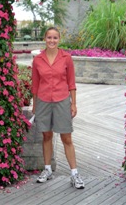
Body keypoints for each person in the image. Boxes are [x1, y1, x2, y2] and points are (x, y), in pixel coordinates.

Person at [31, 27, 85, 189]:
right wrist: (35, 105)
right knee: (46, 136)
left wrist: (73, 103)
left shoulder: (66, 58)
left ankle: (74, 174)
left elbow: (71, 83)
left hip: (62, 100)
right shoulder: (38, 60)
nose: (52, 41)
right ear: (45, 39)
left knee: (66, 138)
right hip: (43, 101)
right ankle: (47, 170)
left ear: (59, 40)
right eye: (49, 38)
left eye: (55, 38)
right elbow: (35, 85)